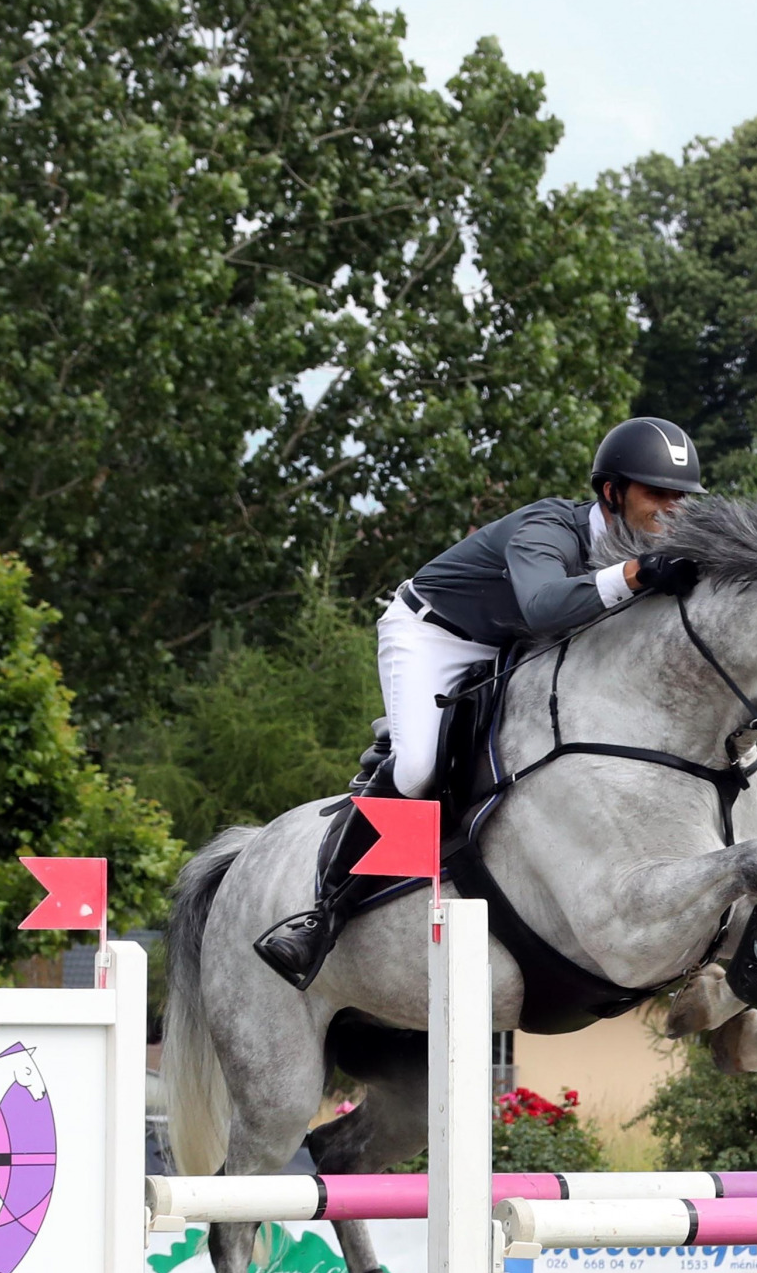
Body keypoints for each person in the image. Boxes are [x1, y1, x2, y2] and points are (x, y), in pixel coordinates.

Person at [252, 417, 709, 989]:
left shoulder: (653, 548)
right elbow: (544, 606)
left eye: (681, 497)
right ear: (612, 492)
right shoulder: (549, 528)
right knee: (419, 769)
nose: (671, 509)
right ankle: (322, 914)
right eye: (655, 493)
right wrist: (639, 574)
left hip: (514, 647)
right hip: (434, 636)